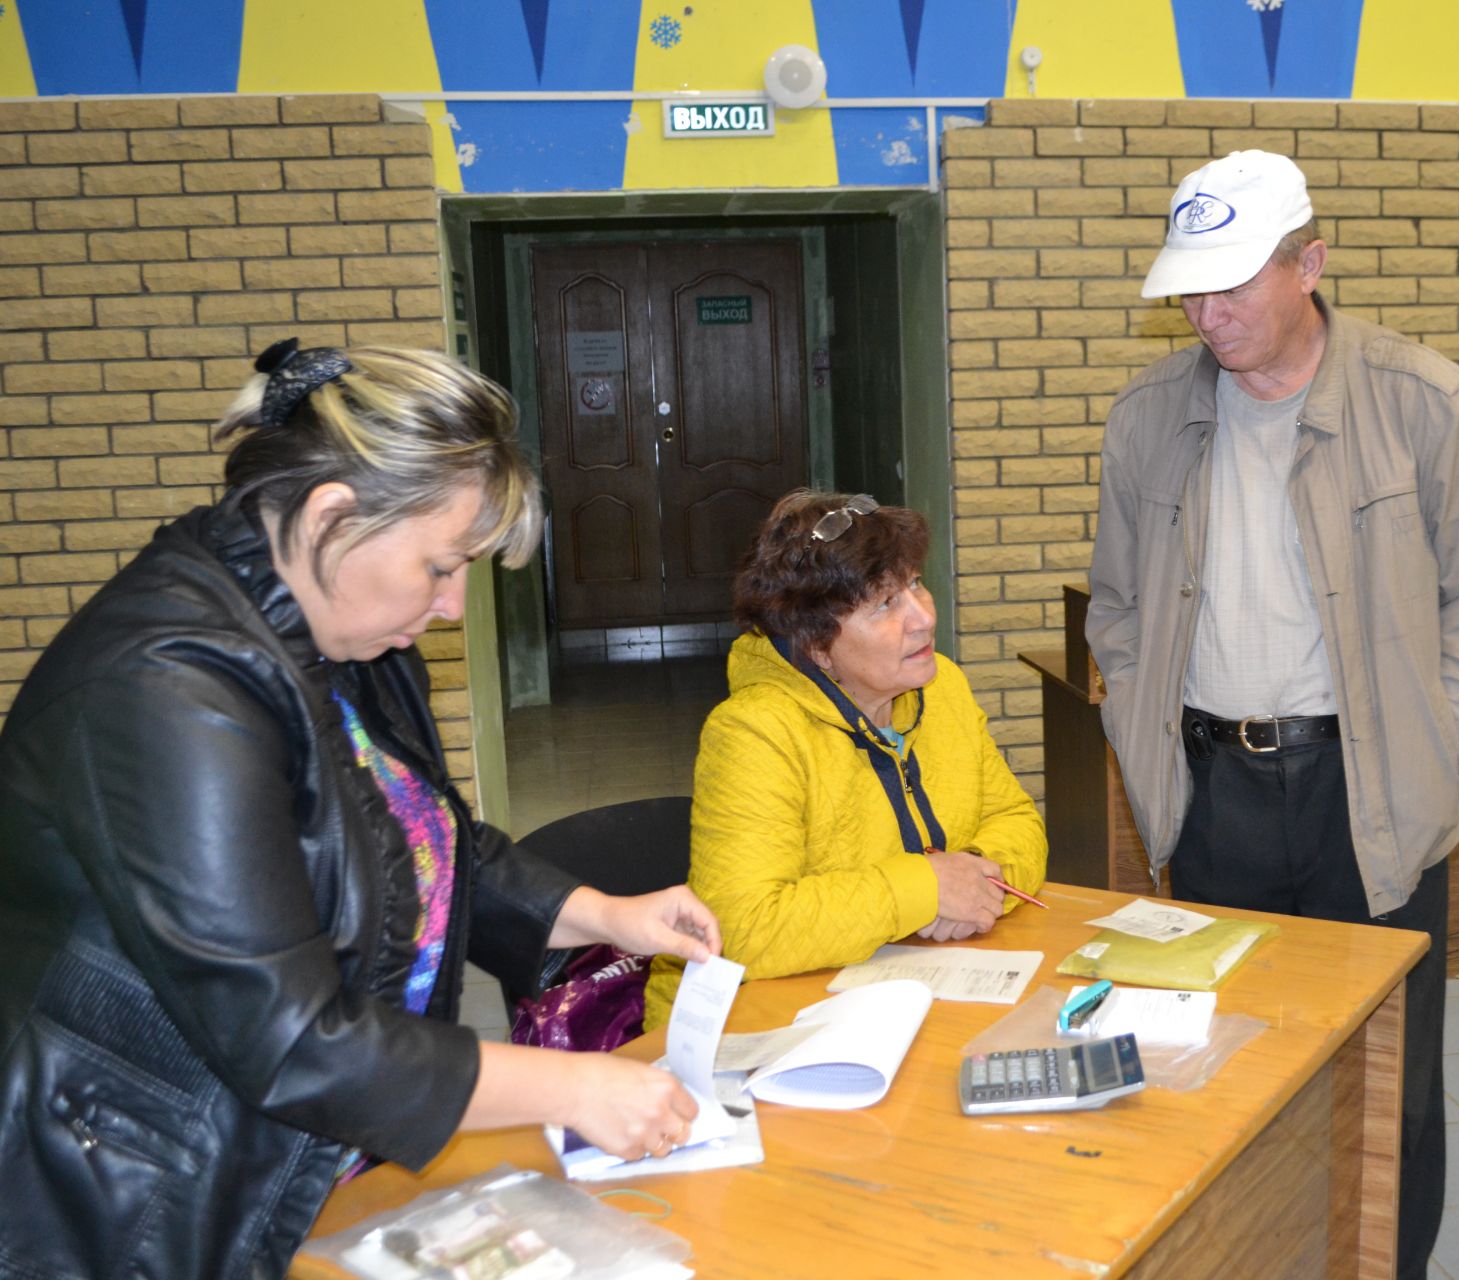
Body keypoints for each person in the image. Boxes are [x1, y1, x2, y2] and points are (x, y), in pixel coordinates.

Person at [0, 342, 724, 1278]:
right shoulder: (164, 691)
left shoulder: (343, 633)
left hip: (306, 1152)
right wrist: (570, 1083)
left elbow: (419, 842)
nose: (454, 603)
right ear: (331, 516)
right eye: (440, 565)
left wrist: (602, 913)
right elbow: (289, 1036)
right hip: (143, 1184)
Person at [1086, 150, 1459, 1277]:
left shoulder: (1421, 397)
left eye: (1232, 283)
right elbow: (1121, 605)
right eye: (1190, 288)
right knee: (1225, 1062)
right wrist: (1149, 753)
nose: (1206, 311)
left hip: (1373, 791)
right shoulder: (1149, 414)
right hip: (1212, 788)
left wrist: (1452, 742)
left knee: (1393, 1079)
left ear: (1310, 263)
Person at [645, 490, 1046, 1028]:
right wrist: (925, 889)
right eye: (885, 604)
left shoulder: (943, 685)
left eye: (916, 585)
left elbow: (1017, 821)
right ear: (815, 644)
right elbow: (741, 930)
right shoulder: (754, 731)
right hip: (753, 1025)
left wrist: (973, 880)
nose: (923, 617)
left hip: (904, 990)